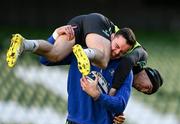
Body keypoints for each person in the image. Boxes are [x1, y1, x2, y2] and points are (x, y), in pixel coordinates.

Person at [6, 13, 147, 93]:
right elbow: (126, 61)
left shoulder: (121, 47)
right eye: (116, 46)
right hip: (96, 22)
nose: (116, 52)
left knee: (55, 54)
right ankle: (85, 54)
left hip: (78, 27)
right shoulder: (139, 52)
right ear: (112, 36)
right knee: (104, 60)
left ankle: (24, 43)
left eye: (121, 52)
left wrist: (55, 34)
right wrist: (112, 91)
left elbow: (45, 60)